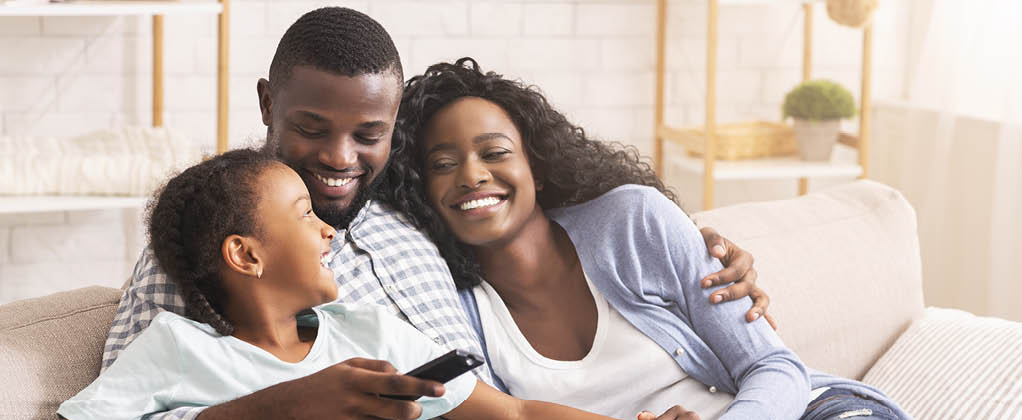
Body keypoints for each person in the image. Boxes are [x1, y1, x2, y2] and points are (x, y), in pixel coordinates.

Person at [102, 7, 769, 420]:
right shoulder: (208, 239)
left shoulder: (415, 213)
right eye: (312, 127)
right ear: (268, 105)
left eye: (368, 134)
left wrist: (694, 248)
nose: (340, 157)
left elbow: (527, 214)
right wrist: (284, 408)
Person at [394, 57, 911, 420]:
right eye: (443, 164)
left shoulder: (632, 222)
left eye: (495, 152)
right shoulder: (457, 313)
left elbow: (774, 366)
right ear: (423, 192)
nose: (472, 174)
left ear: (538, 166)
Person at [60, 149, 628, 420]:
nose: (330, 230)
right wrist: (287, 406)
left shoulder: (368, 334)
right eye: (306, 213)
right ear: (247, 255)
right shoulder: (179, 350)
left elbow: (517, 416)